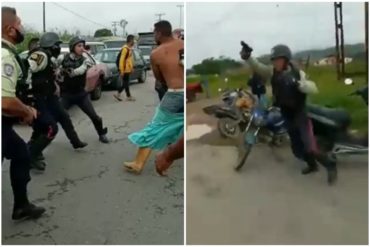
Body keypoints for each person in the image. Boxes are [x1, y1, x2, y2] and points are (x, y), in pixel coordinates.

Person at [240, 42, 337, 185]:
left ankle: (330, 165)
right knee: (297, 149)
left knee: (310, 146)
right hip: (286, 114)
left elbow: (313, 88)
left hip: (300, 114)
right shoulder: (272, 71)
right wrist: (248, 57)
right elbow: (258, 67)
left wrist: (302, 85)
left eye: (278, 60)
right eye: (274, 60)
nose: (276, 63)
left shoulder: (298, 73)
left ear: (286, 59)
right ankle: (312, 165)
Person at [2, 6, 45, 220]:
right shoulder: (4, 57)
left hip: (5, 126)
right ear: (10, 29)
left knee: (21, 154)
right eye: (19, 24)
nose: (22, 28)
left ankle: (21, 205)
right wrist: (26, 111)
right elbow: (5, 101)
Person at [124, 20, 184, 174]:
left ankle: (139, 163)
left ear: (158, 33)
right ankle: (168, 158)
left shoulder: (156, 53)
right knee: (180, 127)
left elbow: (160, 79)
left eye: (154, 33)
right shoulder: (184, 44)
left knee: (155, 127)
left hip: (175, 94)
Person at [28, 32, 87, 171]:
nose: (59, 47)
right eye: (57, 45)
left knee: (64, 117)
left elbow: (48, 74)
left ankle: (76, 142)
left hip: (49, 96)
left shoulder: (49, 57)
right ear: (51, 45)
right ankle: (31, 155)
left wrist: (54, 83)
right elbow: (27, 70)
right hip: (40, 98)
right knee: (47, 127)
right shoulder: (40, 55)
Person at [59, 36, 109, 144]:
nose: (82, 48)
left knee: (95, 117)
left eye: (82, 46)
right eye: (79, 46)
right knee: (55, 118)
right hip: (67, 94)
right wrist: (59, 72)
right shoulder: (63, 58)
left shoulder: (86, 60)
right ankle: (43, 138)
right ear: (72, 47)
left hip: (81, 94)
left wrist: (69, 72)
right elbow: (56, 70)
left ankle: (101, 134)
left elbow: (79, 71)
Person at [114, 35, 135, 102]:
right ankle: (127, 96)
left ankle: (121, 94)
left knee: (125, 83)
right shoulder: (125, 49)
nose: (134, 42)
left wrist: (131, 68)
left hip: (127, 69)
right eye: (133, 40)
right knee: (126, 83)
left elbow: (129, 60)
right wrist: (122, 71)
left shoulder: (129, 48)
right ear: (130, 40)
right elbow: (121, 60)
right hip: (125, 69)